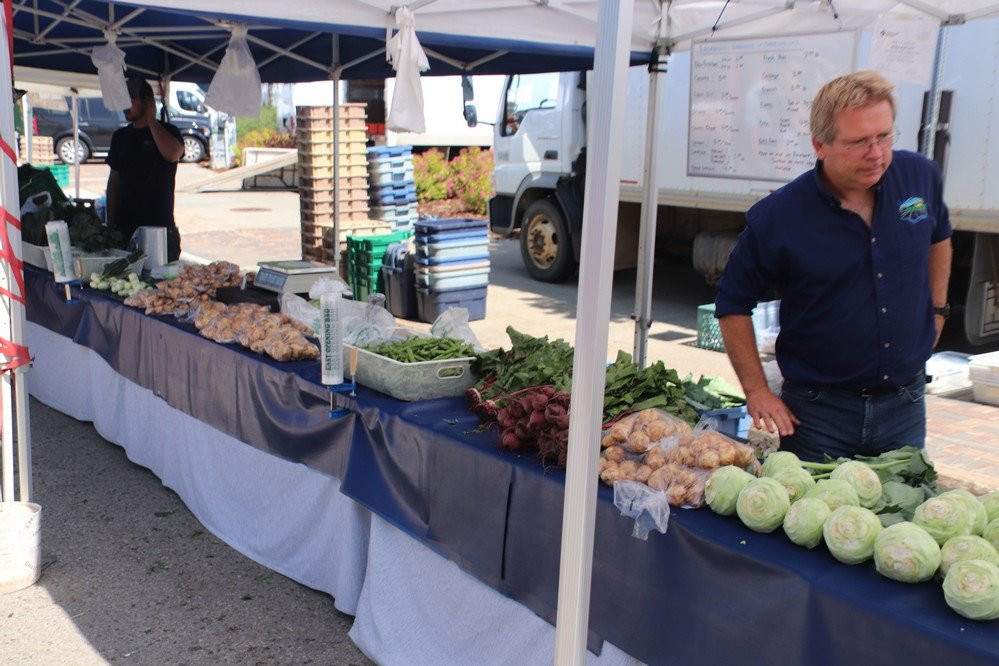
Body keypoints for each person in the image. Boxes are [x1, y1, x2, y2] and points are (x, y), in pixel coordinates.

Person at [714, 70, 953, 462]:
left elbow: (939, 235)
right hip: (818, 416)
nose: (876, 153)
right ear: (820, 145)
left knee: (902, 517)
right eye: (858, 142)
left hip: (905, 406)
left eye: (884, 136)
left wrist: (939, 310)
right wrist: (756, 390)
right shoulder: (779, 217)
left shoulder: (919, 177)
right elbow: (732, 304)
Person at [106, 77, 185, 261]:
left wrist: (151, 120)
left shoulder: (168, 131)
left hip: (160, 230)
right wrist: (109, 225)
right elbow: (113, 181)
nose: (124, 105)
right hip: (124, 230)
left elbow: (173, 153)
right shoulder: (120, 136)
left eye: (130, 100)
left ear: (147, 102)